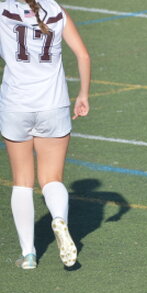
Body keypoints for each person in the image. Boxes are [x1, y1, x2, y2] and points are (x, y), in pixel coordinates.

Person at [0, 0, 90, 269]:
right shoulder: (56, 10)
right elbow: (83, 56)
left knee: (22, 182)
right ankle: (59, 218)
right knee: (51, 178)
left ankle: (29, 254)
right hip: (53, 104)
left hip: (16, 105)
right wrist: (83, 94)